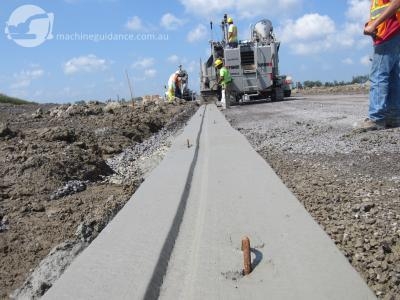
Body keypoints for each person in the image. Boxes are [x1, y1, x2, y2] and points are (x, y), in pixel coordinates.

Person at [356, 0, 400, 131]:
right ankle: (394, 116)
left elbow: (396, 3)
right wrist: (371, 25)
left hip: (388, 34)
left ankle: (377, 118)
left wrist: (374, 24)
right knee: (392, 76)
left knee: (378, 75)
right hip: (389, 33)